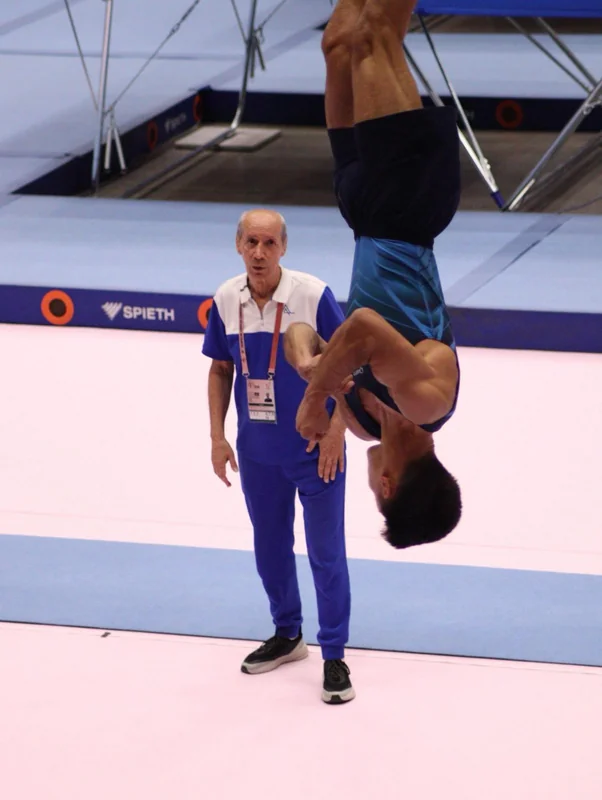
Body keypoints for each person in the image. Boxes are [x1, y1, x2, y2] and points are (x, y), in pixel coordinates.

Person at [284, 0, 462, 550]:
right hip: (409, 205)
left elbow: (304, 330)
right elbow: (362, 327)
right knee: (374, 35)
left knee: (339, 43)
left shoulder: (361, 421)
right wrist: (315, 395)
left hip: (363, 216)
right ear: (387, 486)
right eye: (376, 495)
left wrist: (308, 361)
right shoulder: (430, 403)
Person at [202, 208, 355, 704]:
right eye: (251, 242)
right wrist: (218, 437)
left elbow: (350, 367)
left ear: (284, 248)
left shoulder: (312, 294)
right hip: (258, 451)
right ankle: (288, 634)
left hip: (316, 451)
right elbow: (220, 369)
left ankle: (334, 654)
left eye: (269, 243)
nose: (259, 252)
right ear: (238, 245)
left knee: (325, 553)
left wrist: (337, 431)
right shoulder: (226, 298)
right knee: (269, 549)